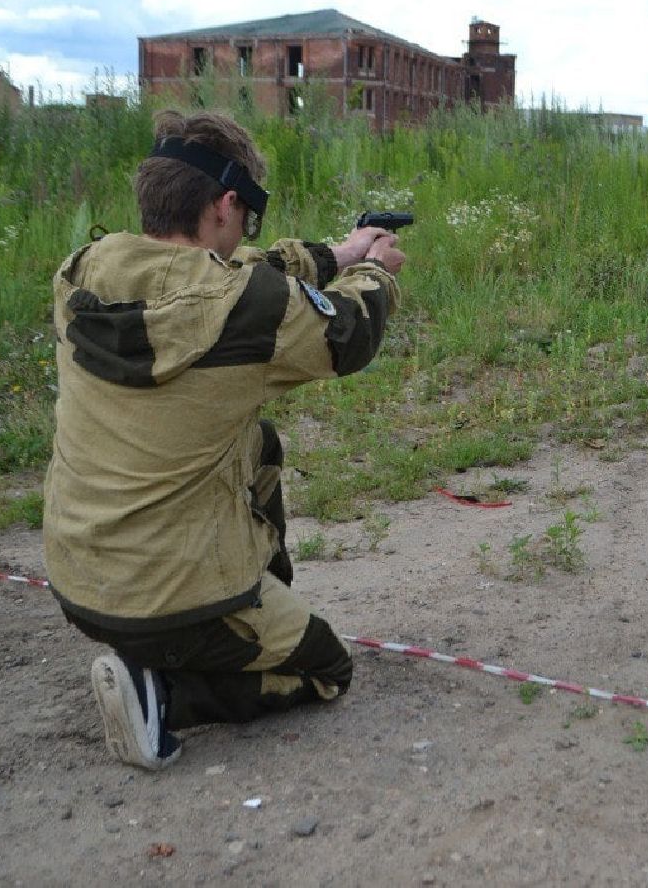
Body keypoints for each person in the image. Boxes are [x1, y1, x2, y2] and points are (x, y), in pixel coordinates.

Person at [42, 109, 406, 770]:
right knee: (324, 669)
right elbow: (347, 333)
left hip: (78, 574)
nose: (244, 231)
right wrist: (374, 272)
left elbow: (236, 273)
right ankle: (162, 690)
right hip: (170, 595)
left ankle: (226, 619)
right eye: (246, 214)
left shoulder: (81, 273)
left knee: (254, 440)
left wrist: (338, 252)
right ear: (226, 204)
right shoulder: (246, 311)